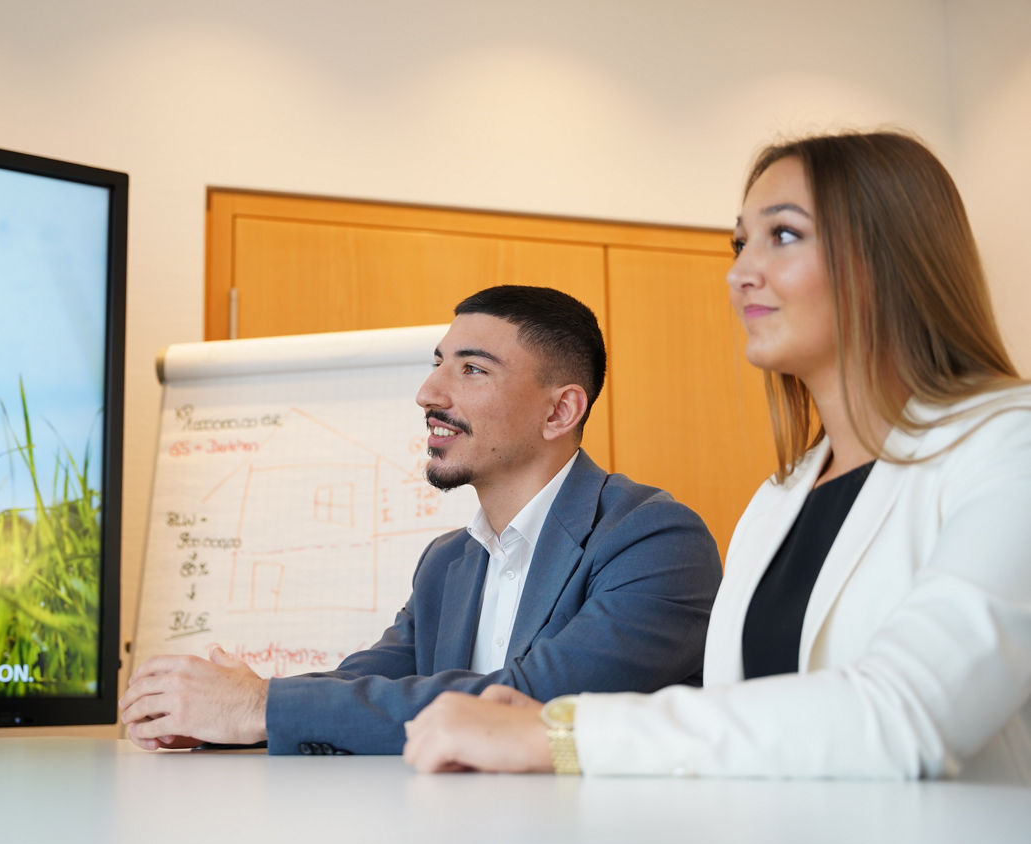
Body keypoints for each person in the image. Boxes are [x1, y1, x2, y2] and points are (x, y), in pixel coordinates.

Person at [402, 131, 1031, 783]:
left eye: (782, 236)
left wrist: (564, 734)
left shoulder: (1009, 447)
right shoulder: (779, 498)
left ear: (891, 257)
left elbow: (908, 715)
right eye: (740, 244)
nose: (739, 274)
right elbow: (740, 728)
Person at [121, 285, 722, 755]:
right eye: (439, 364)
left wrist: (259, 708)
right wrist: (232, 718)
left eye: (471, 369)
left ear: (560, 409)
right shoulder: (447, 562)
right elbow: (365, 681)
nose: (428, 393)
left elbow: (532, 704)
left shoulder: (655, 539)